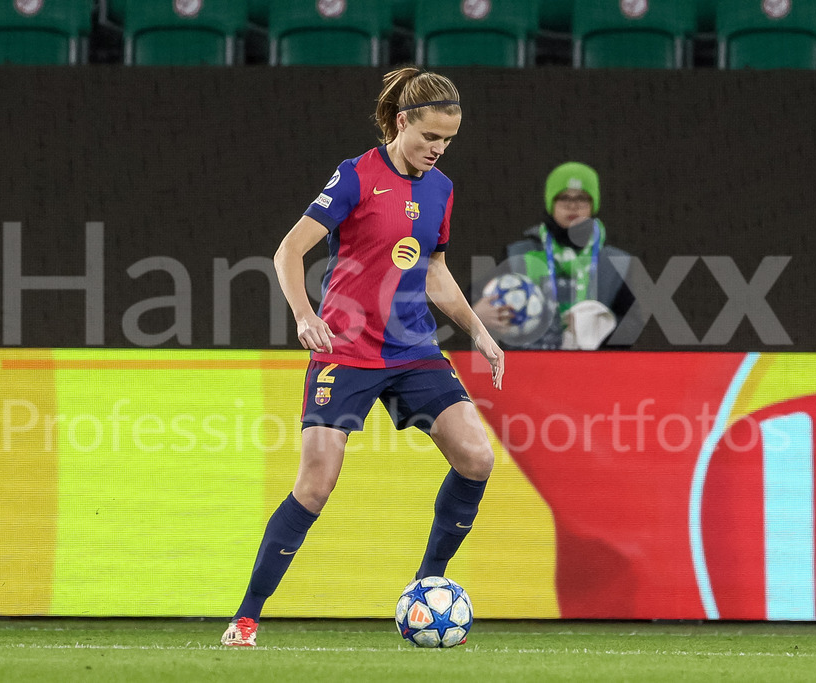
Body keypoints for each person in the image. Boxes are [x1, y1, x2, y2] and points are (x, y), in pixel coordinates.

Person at [221, 67, 505, 647]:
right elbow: (288, 251)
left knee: (477, 458)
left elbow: (434, 272)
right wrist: (305, 315)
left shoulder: (441, 190)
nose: (437, 150)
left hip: (413, 350)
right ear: (403, 123)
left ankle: (426, 584)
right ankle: (246, 617)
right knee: (315, 487)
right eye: (430, 138)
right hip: (346, 352)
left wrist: (477, 331)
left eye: (447, 141)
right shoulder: (356, 177)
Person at [473, 162, 639, 350]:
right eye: (563, 197)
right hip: (526, 367)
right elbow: (472, 299)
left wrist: (599, 328)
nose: (572, 206)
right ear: (550, 203)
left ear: (594, 205)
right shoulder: (518, 254)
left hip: (594, 370)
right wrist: (476, 315)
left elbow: (632, 324)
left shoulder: (617, 262)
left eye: (582, 198)